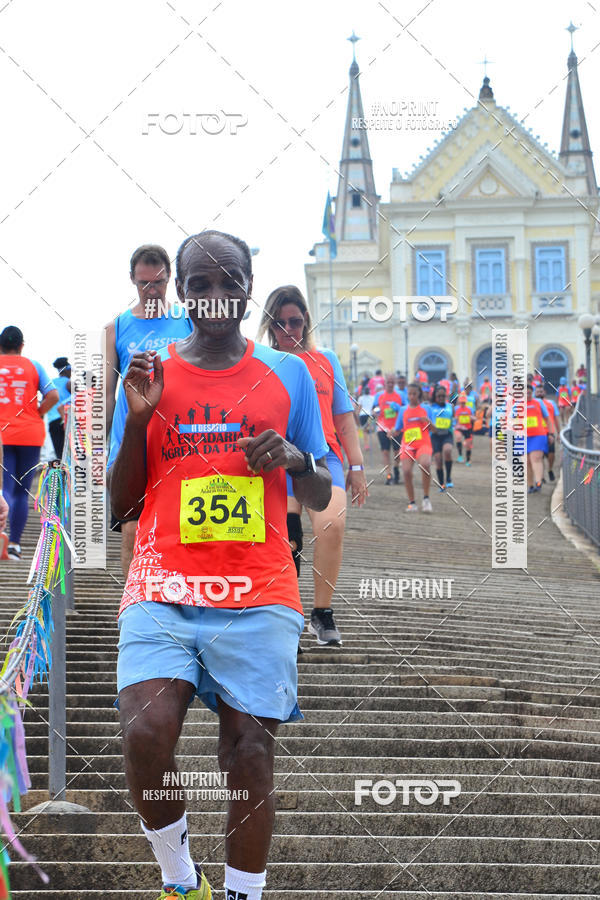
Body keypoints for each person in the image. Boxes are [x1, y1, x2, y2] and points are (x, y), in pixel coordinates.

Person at [108, 230, 332, 900]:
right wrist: (142, 420)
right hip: (162, 581)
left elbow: (322, 491)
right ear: (180, 291)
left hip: (258, 589)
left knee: (249, 754)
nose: (212, 296)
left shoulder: (287, 373)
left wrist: (294, 459)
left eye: (227, 281)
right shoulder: (150, 374)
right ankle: (182, 882)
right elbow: (121, 503)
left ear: (246, 290)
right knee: (145, 733)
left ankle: (242, 895)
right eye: (198, 284)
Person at [258, 285, 367, 647]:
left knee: (332, 524)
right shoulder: (261, 362)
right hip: (280, 460)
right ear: (270, 325)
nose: (289, 330)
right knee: (288, 539)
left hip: (326, 456)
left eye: (297, 322)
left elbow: (345, 418)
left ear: (306, 322)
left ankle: (322, 613)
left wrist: (357, 466)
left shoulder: (327, 361)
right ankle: (286, 616)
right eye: (281, 323)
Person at [104, 244, 193, 579]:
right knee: (131, 526)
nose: (151, 291)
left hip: (177, 437)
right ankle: (132, 609)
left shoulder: (186, 320)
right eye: (144, 284)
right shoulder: (116, 328)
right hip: (132, 438)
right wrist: (97, 449)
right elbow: (108, 396)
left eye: (158, 283)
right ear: (132, 281)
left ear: (170, 280)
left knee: (179, 525)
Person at [0, 326, 58, 560]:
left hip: (2, 436)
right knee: (22, 491)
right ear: (22, 346)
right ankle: (14, 544)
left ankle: (1, 536)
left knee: (4, 488)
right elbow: (52, 395)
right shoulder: (34, 365)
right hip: (30, 435)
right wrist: (39, 412)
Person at [393, 383, 433, 512]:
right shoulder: (403, 410)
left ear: (419, 394)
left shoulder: (426, 408)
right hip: (408, 445)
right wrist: (391, 431)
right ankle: (412, 503)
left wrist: (428, 422)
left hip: (423, 443)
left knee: (425, 464)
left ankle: (426, 499)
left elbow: (435, 429)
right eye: (409, 394)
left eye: (414, 394)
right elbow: (398, 428)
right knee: (406, 471)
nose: (411, 396)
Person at [374, 374, 404, 485]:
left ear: (394, 383)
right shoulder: (379, 396)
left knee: (397, 452)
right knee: (385, 452)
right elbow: (374, 408)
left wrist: (398, 408)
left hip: (397, 427)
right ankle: (388, 474)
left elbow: (405, 410)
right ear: (385, 383)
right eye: (388, 382)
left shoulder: (400, 395)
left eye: (392, 382)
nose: (390, 384)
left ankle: (396, 470)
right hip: (382, 427)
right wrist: (375, 411)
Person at [428, 384, 454, 490]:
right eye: (439, 396)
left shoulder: (450, 406)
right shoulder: (431, 407)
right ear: (435, 396)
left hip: (447, 434)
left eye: (443, 396)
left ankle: (448, 478)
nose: (441, 398)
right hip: (435, 436)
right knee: (438, 459)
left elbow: (453, 418)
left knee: (447, 451)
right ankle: (441, 484)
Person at [46, 357, 71, 459]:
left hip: (53, 422)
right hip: (66, 421)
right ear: (67, 370)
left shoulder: (50, 383)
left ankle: (63, 474)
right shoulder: (69, 383)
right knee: (71, 453)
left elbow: (45, 400)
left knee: (60, 455)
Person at [526, 383, 549, 493]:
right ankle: (530, 486)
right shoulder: (515, 405)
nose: (527, 395)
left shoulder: (538, 403)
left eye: (529, 393)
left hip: (538, 435)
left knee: (536, 458)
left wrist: (551, 433)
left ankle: (538, 482)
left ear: (532, 393)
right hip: (522, 437)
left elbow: (548, 418)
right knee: (526, 462)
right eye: (525, 393)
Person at [535, 383, 559, 482]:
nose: (539, 393)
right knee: (539, 455)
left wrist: (559, 433)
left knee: (551, 454)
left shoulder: (551, 403)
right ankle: (542, 476)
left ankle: (550, 469)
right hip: (537, 433)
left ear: (544, 392)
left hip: (550, 432)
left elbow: (556, 418)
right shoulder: (532, 404)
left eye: (541, 391)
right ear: (534, 393)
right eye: (537, 392)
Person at [454, 392, 475, 465]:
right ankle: (460, 456)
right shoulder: (456, 409)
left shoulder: (469, 409)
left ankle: (468, 460)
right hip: (459, 427)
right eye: (461, 402)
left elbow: (473, 418)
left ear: (466, 402)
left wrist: (471, 418)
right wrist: (457, 417)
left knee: (468, 445)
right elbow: (454, 418)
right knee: (458, 437)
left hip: (468, 428)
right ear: (459, 402)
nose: (463, 404)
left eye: (464, 403)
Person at [356, 384, 375, 452]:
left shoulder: (361, 398)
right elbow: (373, 407)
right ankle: (369, 444)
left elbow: (359, 408)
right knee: (369, 430)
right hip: (369, 415)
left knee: (364, 431)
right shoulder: (373, 398)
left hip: (362, 415)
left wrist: (357, 416)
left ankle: (366, 445)